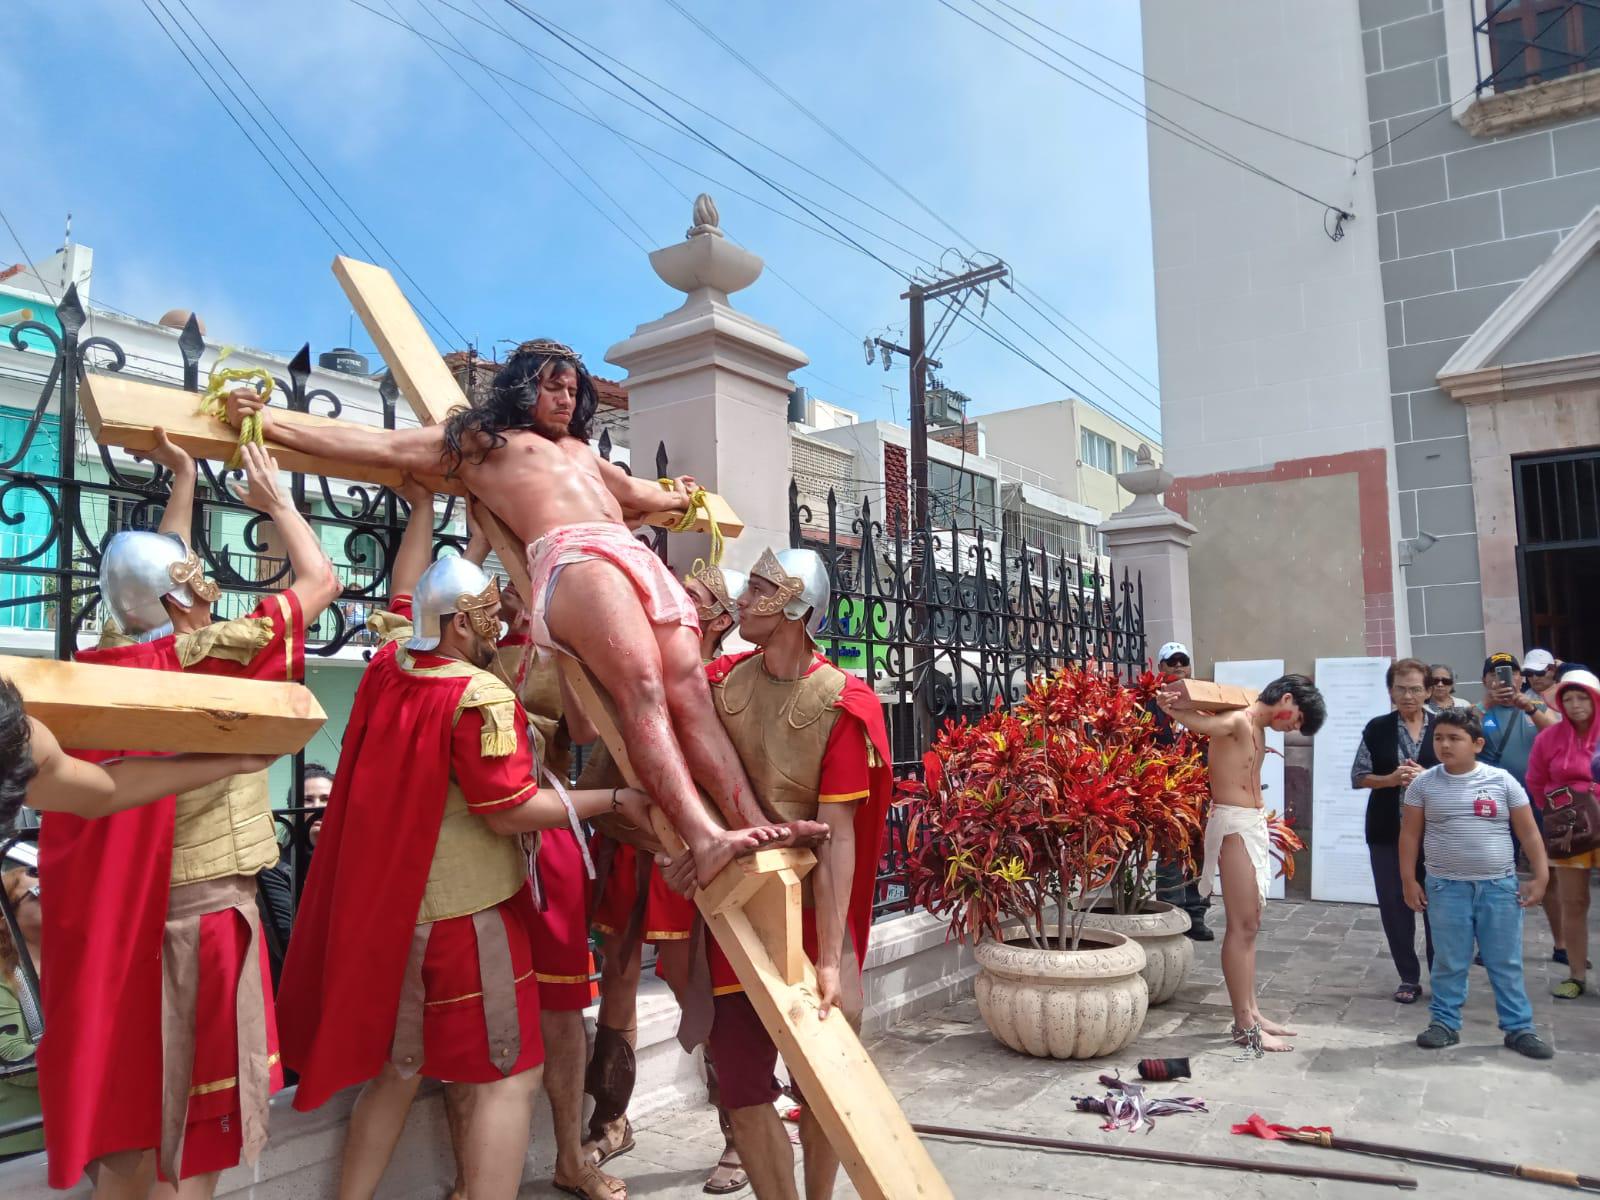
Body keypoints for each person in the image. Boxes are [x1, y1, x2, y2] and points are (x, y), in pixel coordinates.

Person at [223, 340, 822, 886]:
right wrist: (267, 419)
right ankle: (705, 835)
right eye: (552, 386)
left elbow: (643, 496)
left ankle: (756, 821)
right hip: (574, 556)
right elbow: (378, 445)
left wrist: (681, 498)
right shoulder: (482, 444)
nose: (565, 398)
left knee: (688, 686)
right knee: (642, 689)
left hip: (628, 555)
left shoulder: (584, 454)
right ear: (521, 387)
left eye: (572, 390)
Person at [276, 548, 663, 1200]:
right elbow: (509, 809)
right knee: (508, 1076)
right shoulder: (479, 695)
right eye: (484, 612)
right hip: (467, 921)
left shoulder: (388, 666)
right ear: (456, 623)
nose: (495, 621)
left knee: (399, 1071)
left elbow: (405, 607)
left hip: (398, 916)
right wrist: (615, 801)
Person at [39, 437, 342, 1198]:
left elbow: (154, 594)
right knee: (191, 1135)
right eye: (198, 580)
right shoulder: (209, 660)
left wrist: (182, 482)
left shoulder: (104, 663)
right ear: (181, 597)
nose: (211, 590)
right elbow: (321, 580)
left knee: (134, 1119)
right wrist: (276, 503)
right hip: (199, 925)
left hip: (131, 924)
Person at [704, 547, 893, 1200]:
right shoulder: (722, 679)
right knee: (740, 1082)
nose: (743, 598)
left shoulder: (842, 700)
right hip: (736, 907)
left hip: (813, 912)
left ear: (793, 608)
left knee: (827, 1079)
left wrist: (834, 959)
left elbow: (838, 836)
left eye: (758, 588)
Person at [584, 558, 749, 1195]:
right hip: (629, 841)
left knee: (692, 987)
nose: (672, 604)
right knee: (617, 974)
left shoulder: (725, 687)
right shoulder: (633, 665)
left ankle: (737, 1130)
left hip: (683, 853)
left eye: (689, 596)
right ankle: (611, 1116)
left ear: (717, 618)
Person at [1156, 674, 1326, 1054]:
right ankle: (1243, 1023)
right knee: (1243, 924)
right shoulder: (1239, 720)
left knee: (1251, 924)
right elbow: (1203, 723)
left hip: (1250, 823)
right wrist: (1172, 706)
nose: (1292, 728)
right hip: (1234, 824)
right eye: (1296, 719)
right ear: (1286, 699)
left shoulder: (1256, 724)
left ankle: (1252, 1011)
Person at [1400, 708, 1554, 1059]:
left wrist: (1540, 876)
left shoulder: (1502, 781)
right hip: (1445, 887)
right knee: (1449, 960)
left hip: (1498, 888)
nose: (1445, 745)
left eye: (1455, 738)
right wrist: (1409, 880)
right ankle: (1444, 1023)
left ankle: (1519, 1028)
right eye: (1439, 738)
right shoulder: (1424, 784)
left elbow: (1529, 833)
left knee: (1505, 961)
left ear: (1477, 743)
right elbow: (1409, 836)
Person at [1351, 658, 1438, 1005]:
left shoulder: (1444, 726)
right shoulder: (1377, 728)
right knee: (1394, 903)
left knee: (1439, 904)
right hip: (1387, 830)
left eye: (1416, 688)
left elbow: (1463, 771)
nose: (1408, 695)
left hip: (1437, 833)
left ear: (1428, 691)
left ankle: (1441, 975)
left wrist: (1428, 776)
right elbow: (1359, 776)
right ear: (1390, 691)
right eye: (1400, 688)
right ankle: (1408, 977)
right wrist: (1389, 780)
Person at [1476, 652, 1567, 964]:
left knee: (1548, 872)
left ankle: (1562, 945)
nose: (1505, 679)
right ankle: (1488, 946)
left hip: (1537, 802)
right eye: (1496, 674)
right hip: (1494, 804)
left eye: (1512, 673)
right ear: (1486, 680)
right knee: (1491, 875)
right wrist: (1486, 704)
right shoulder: (1479, 711)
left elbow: (1558, 735)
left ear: (1520, 677)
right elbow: (1455, 734)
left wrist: (1527, 705)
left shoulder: (1537, 706)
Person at [1526, 668, 1600, 1001]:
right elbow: (1536, 780)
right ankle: (1576, 974)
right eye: (1567, 698)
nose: (1574, 704)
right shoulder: (1550, 738)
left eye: (1582, 697)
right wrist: (1554, 813)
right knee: (1574, 902)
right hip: (1568, 829)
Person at [1147, 642, 1212, 941]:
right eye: (1170, 663)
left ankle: (1196, 915)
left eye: (1182, 662)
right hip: (1168, 790)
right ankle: (1170, 916)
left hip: (1201, 788)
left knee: (1201, 852)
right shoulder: (1149, 704)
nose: (1177, 667)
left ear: (1189, 666)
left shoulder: (1204, 699)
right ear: (1160, 669)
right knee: (1171, 852)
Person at [0, 867, 43, 1160]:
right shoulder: (5, 976)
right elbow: (12, 1055)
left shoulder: (77, 961)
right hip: (26, 1143)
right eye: (38, 893)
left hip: (86, 1129)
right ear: (6, 917)